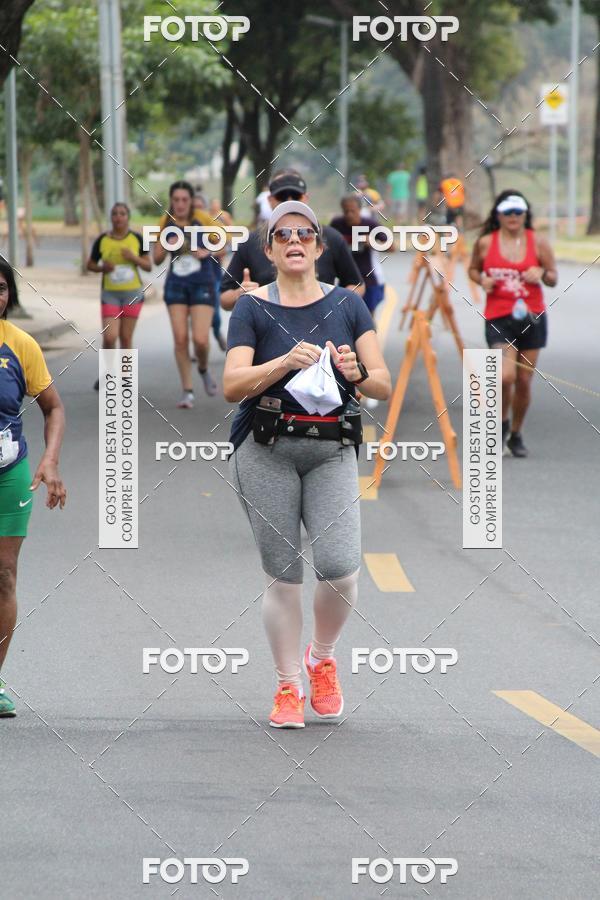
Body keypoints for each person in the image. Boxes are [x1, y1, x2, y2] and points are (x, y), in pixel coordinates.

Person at [224, 201, 391, 728]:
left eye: (304, 234)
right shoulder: (251, 308)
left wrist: (355, 370)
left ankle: (321, 658)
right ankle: (287, 686)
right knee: (284, 578)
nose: (293, 241)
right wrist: (281, 362)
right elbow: (232, 386)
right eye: (282, 234)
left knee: (341, 571)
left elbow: (382, 384)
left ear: (320, 247)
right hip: (266, 448)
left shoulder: (347, 305)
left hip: (332, 449)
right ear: (270, 250)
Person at [0, 259, 66, 717]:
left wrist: (49, 459)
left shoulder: (21, 345)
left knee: (3, 577)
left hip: (9, 473)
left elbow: (54, 408)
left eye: (1, 288)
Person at [468, 191, 558, 457]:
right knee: (505, 376)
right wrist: (481, 280)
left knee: (524, 381)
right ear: (499, 215)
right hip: (498, 316)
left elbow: (553, 277)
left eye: (518, 212)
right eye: (508, 212)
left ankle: (516, 433)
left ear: (525, 215)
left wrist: (542, 273)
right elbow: (473, 269)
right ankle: (501, 424)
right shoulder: (486, 243)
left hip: (532, 317)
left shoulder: (539, 242)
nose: (513, 217)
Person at [220, 170, 363, 310]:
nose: (289, 201)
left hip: (322, 326)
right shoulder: (251, 242)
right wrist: (240, 293)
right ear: (268, 250)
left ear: (319, 249)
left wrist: (338, 308)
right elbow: (224, 297)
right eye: (281, 196)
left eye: (295, 195)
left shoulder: (331, 238)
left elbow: (356, 284)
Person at [153, 180, 221, 407]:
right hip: (176, 285)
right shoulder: (166, 222)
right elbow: (156, 258)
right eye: (176, 200)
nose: (180, 204)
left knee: (200, 340)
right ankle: (188, 391)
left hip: (203, 283)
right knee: (180, 339)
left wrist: (208, 250)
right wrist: (166, 243)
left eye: (184, 199)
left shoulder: (202, 219)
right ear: (171, 202)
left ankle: (202, 368)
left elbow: (224, 244)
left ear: (191, 201)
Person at [87, 202, 151, 390]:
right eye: (115, 213)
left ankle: (126, 378)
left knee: (125, 337)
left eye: (122, 213)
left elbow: (148, 266)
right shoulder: (102, 240)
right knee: (109, 336)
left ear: (128, 217)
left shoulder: (137, 239)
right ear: (111, 217)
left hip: (133, 293)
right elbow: (89, 264)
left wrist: (133, 258)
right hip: (110, 294)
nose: (118, 217)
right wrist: (101, 268)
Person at [329, 195, 387, 316]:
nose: (349, 214)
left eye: (353, 211)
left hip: (369, 278)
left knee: (367, 316)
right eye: (346, 211)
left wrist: (372, 242)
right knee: (347, 316)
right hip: (347, 279)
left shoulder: (371, 225)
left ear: (359, 210)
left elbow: (391, 246)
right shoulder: (337, 224)